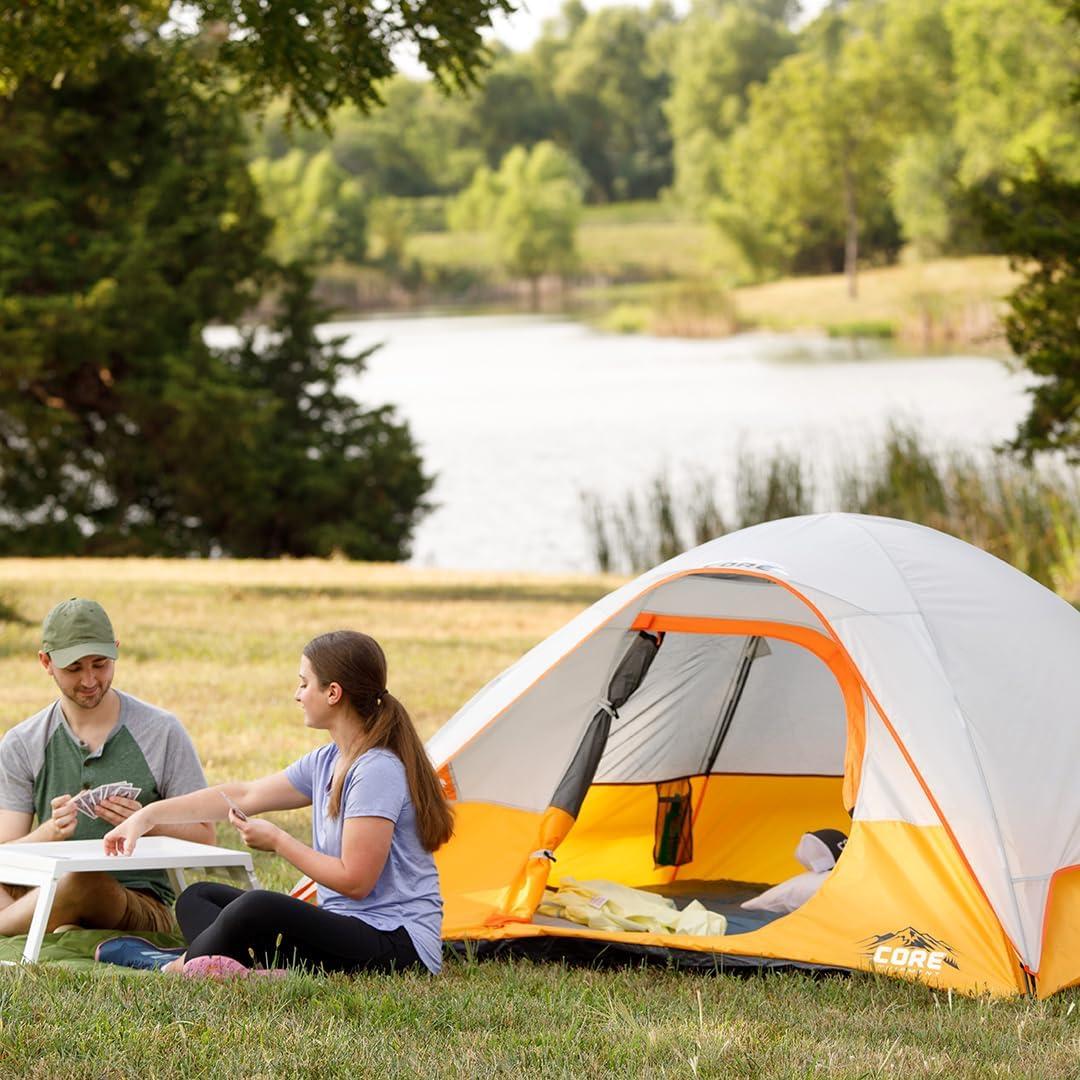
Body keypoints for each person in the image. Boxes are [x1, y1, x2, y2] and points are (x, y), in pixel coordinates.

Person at [104, 630, 454, 976]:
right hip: (345, 930)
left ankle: (173, 966)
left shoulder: (377, 770)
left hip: (396, 945)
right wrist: (148, 816)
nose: (297, 695)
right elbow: (245, 795)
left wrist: (279, 841)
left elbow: (355, 881)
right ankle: (236, 968)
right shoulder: (327, 760)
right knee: (198, 897)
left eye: (304, 683)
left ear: (333, 693)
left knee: (258, 906)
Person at [0, 597, 214, 936]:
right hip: (40, 886)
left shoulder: (162, 731)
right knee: (61, 884)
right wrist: (50, 832)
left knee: (81, 882)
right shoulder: (22, 741)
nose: (89, 680)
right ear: (46, 662)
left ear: (115, 651)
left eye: (100, 664)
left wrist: (146, 821)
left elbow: (206, 837)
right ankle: (59, 924)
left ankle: (34, 923)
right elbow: (5, 856)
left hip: (134, 900)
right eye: (74, 669)